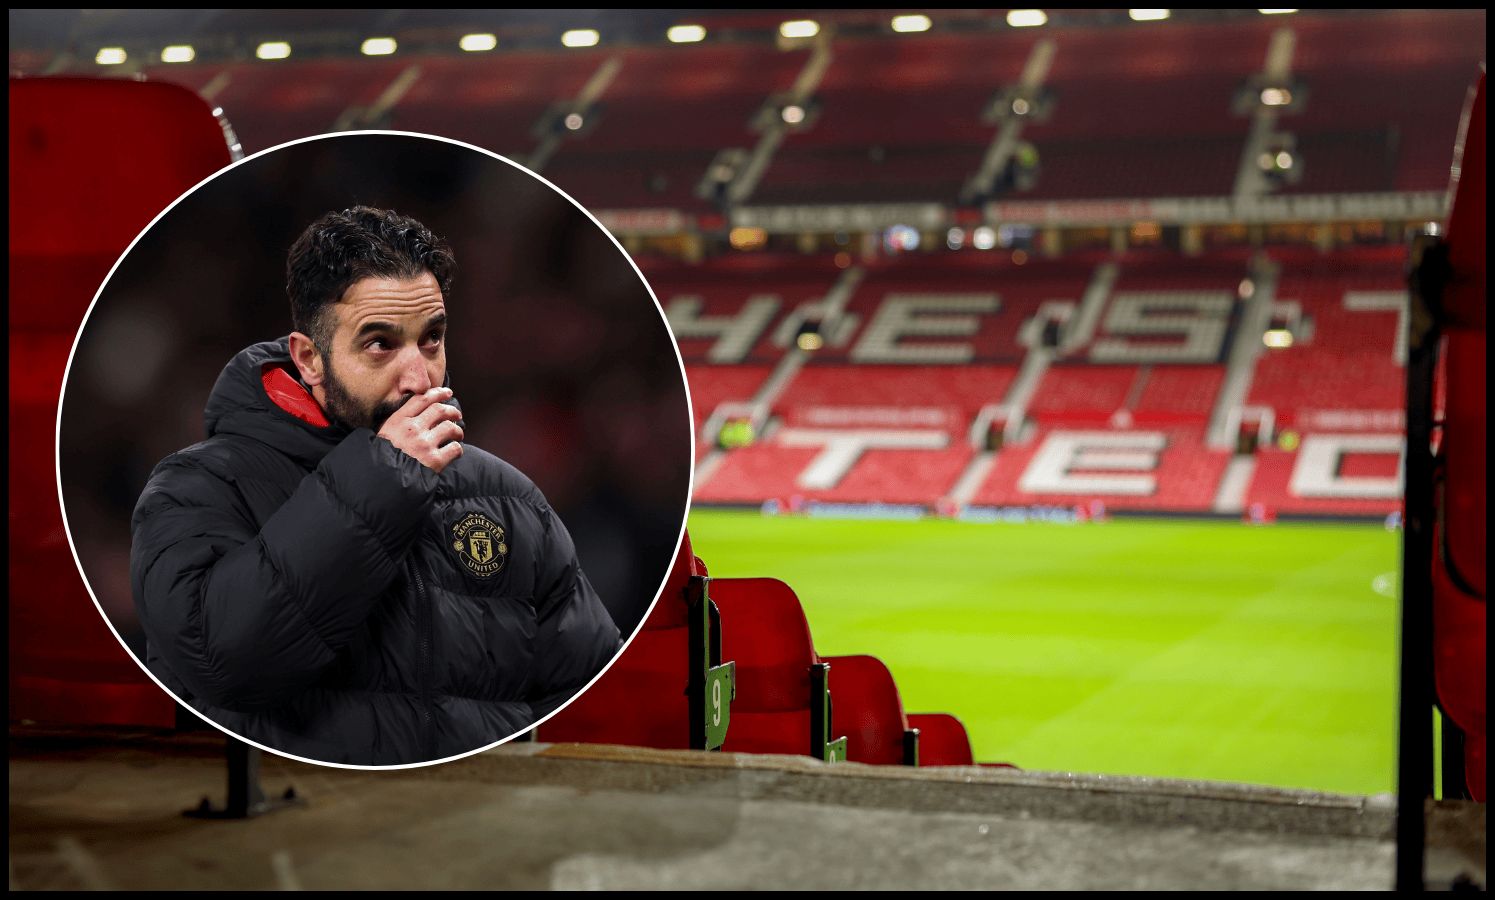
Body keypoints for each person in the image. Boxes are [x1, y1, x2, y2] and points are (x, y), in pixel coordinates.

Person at [129, 206, 621, 765]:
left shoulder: (509, 498)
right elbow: (221, 666)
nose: (419, 377)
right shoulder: (197, 487)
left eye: (431, 339)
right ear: (309, 358)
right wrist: (383, 479)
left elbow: (589, 701)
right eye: (380, 344)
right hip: (289, 840)